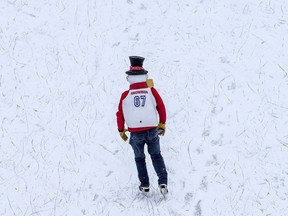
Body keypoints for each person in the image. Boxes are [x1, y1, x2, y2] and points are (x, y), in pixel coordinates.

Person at [116, 56, 168, 195]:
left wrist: (121, 129)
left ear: (129, 77)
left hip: (135, 133)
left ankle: (144, 185)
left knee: (140, 159)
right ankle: (163, 182)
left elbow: (120, 114)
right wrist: (162, 123)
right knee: (156, 155)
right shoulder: (151, 91)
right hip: (151, 130)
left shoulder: (125, 95)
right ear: (145, 75)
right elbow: (161, 107)